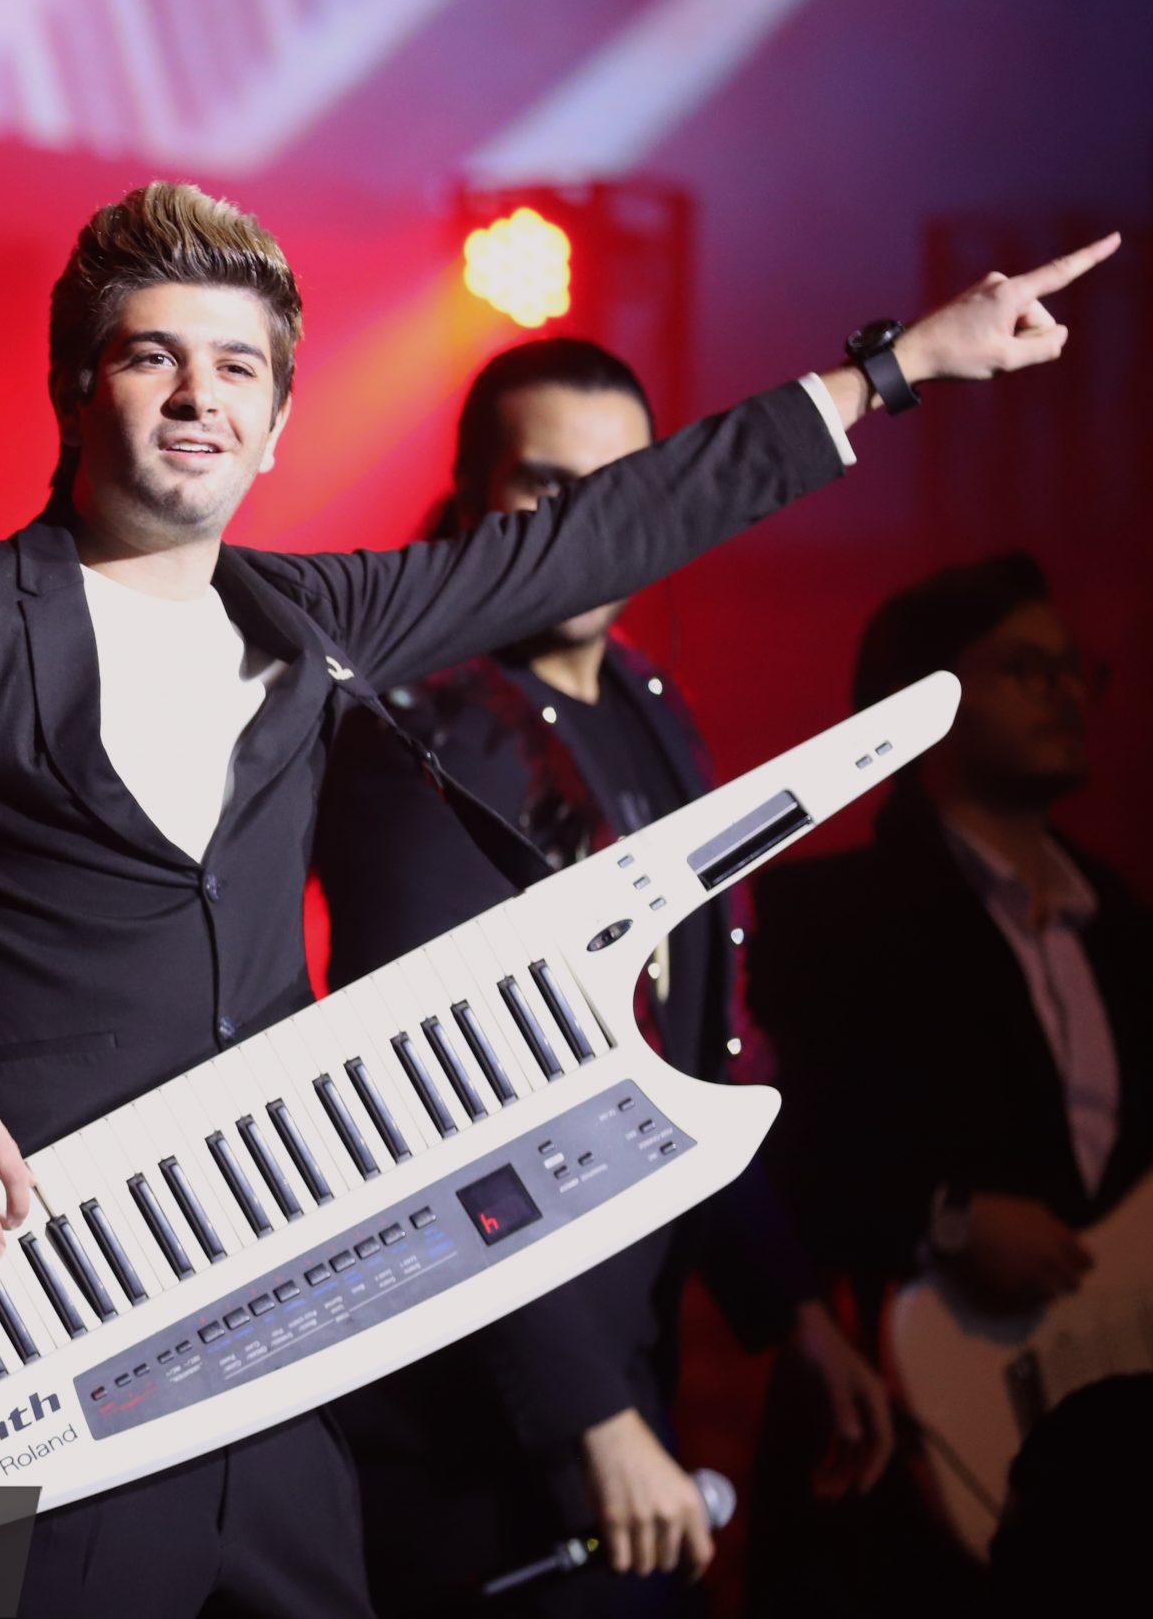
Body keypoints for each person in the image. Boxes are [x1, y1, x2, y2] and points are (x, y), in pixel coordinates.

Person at [0, 181, 1111, 1619]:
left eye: (237, 368)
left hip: (280, 1346)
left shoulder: (311, 619)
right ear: (73, 388)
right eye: (153, 356)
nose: (199, 395)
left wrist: (896, 368)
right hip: (35, 1354)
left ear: (275, 427)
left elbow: (596, 533)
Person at [310, 339, 891, 1617]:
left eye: (618, 486)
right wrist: (585, 1412)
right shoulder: (422, 727)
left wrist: (792, 1306)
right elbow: (426, 1094)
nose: (584, 523)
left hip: (622, 1362)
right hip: (480, 1419)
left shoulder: (644, 698)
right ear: (469, 496)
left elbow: (696, 1051)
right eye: (543, 486)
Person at [743, 550, 1153, 1617]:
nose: (1064, 692)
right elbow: (773, 1158)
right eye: (1023, 668)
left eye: (1073, 667)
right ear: (922, 703)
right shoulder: (824, 916)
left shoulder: (1117, 914)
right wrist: (948, 1218)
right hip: (906, 1427)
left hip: (1106, 1455)